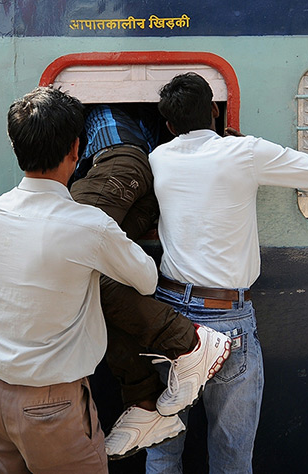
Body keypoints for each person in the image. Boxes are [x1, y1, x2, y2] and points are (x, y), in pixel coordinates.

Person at [145, 72, 308, 474]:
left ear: (168, 125)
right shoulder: (244, 152)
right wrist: (243, 147)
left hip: (168, 316)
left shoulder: (158, 157)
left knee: (163, 450)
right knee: (232, 456)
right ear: (214, 112)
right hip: (227, 318)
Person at [0, 87, 159, 473]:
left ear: (15, 145)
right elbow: (146, 280)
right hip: (50, 406)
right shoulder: (88, 225)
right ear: (77, 149)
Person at [69, 104, 233, 460]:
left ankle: (188, 343)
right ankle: (144, 402)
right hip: (142, 187)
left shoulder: (104, 115)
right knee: (88, 279)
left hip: (117, 160)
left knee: (63, 245)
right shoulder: (152, 130)